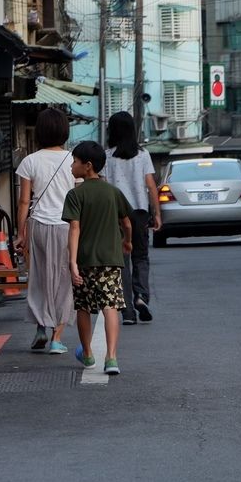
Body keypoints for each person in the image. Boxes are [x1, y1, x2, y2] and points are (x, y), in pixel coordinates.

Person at [62, 141, 133, 376]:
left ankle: (89, 354)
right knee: (110, 306)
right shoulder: (113, 192)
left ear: (88, 166)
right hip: (110, 260)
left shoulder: (75, 195)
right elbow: (126, 222)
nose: (72, 165)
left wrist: (72, 263)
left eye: (75, 161)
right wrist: (127, 241)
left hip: (84, 261)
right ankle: (111, 358)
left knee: (83, 307)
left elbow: (74, 228)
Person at [13, 107, 75, 354]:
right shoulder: (73, 160)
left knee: (39, 277)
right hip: (66, 227)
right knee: (64, 280)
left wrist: (21, 233)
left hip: (38, 225)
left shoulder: (30, 161)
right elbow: (78, 199)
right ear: (64, 131)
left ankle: (40, 325)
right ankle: (56, 338)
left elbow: (24, 202)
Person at [103, 111, 161, 325]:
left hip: (116, 214)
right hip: (139, 213)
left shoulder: (108, 156)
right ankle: (141, 296)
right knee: (141, 257)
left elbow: (103, 187)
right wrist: (157, 214)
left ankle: (127, 313)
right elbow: (151, 186)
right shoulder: (143, 155)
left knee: (122, 262)